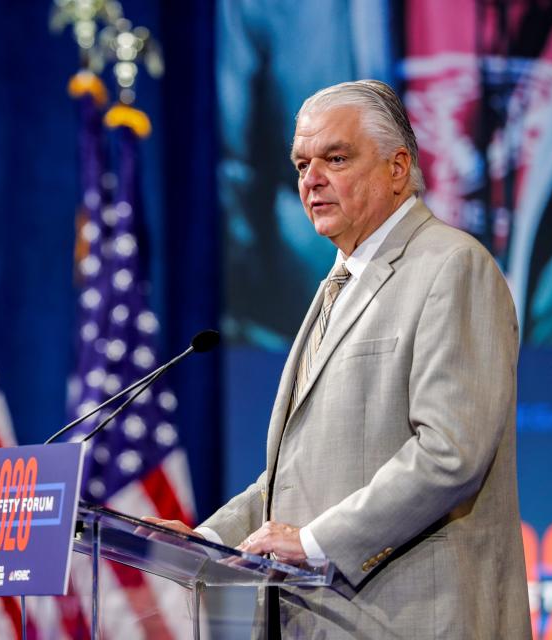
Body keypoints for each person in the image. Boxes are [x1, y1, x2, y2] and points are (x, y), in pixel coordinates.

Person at [146, 80, 531, 638]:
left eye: (336, 158)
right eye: (302, 163)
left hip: (418, 620)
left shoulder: (452, 267)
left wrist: (311, 543)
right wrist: (205, 541)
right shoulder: (339, 282)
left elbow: (451, 453)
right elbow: (295, 479)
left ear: (398, 167)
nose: (311, 180)